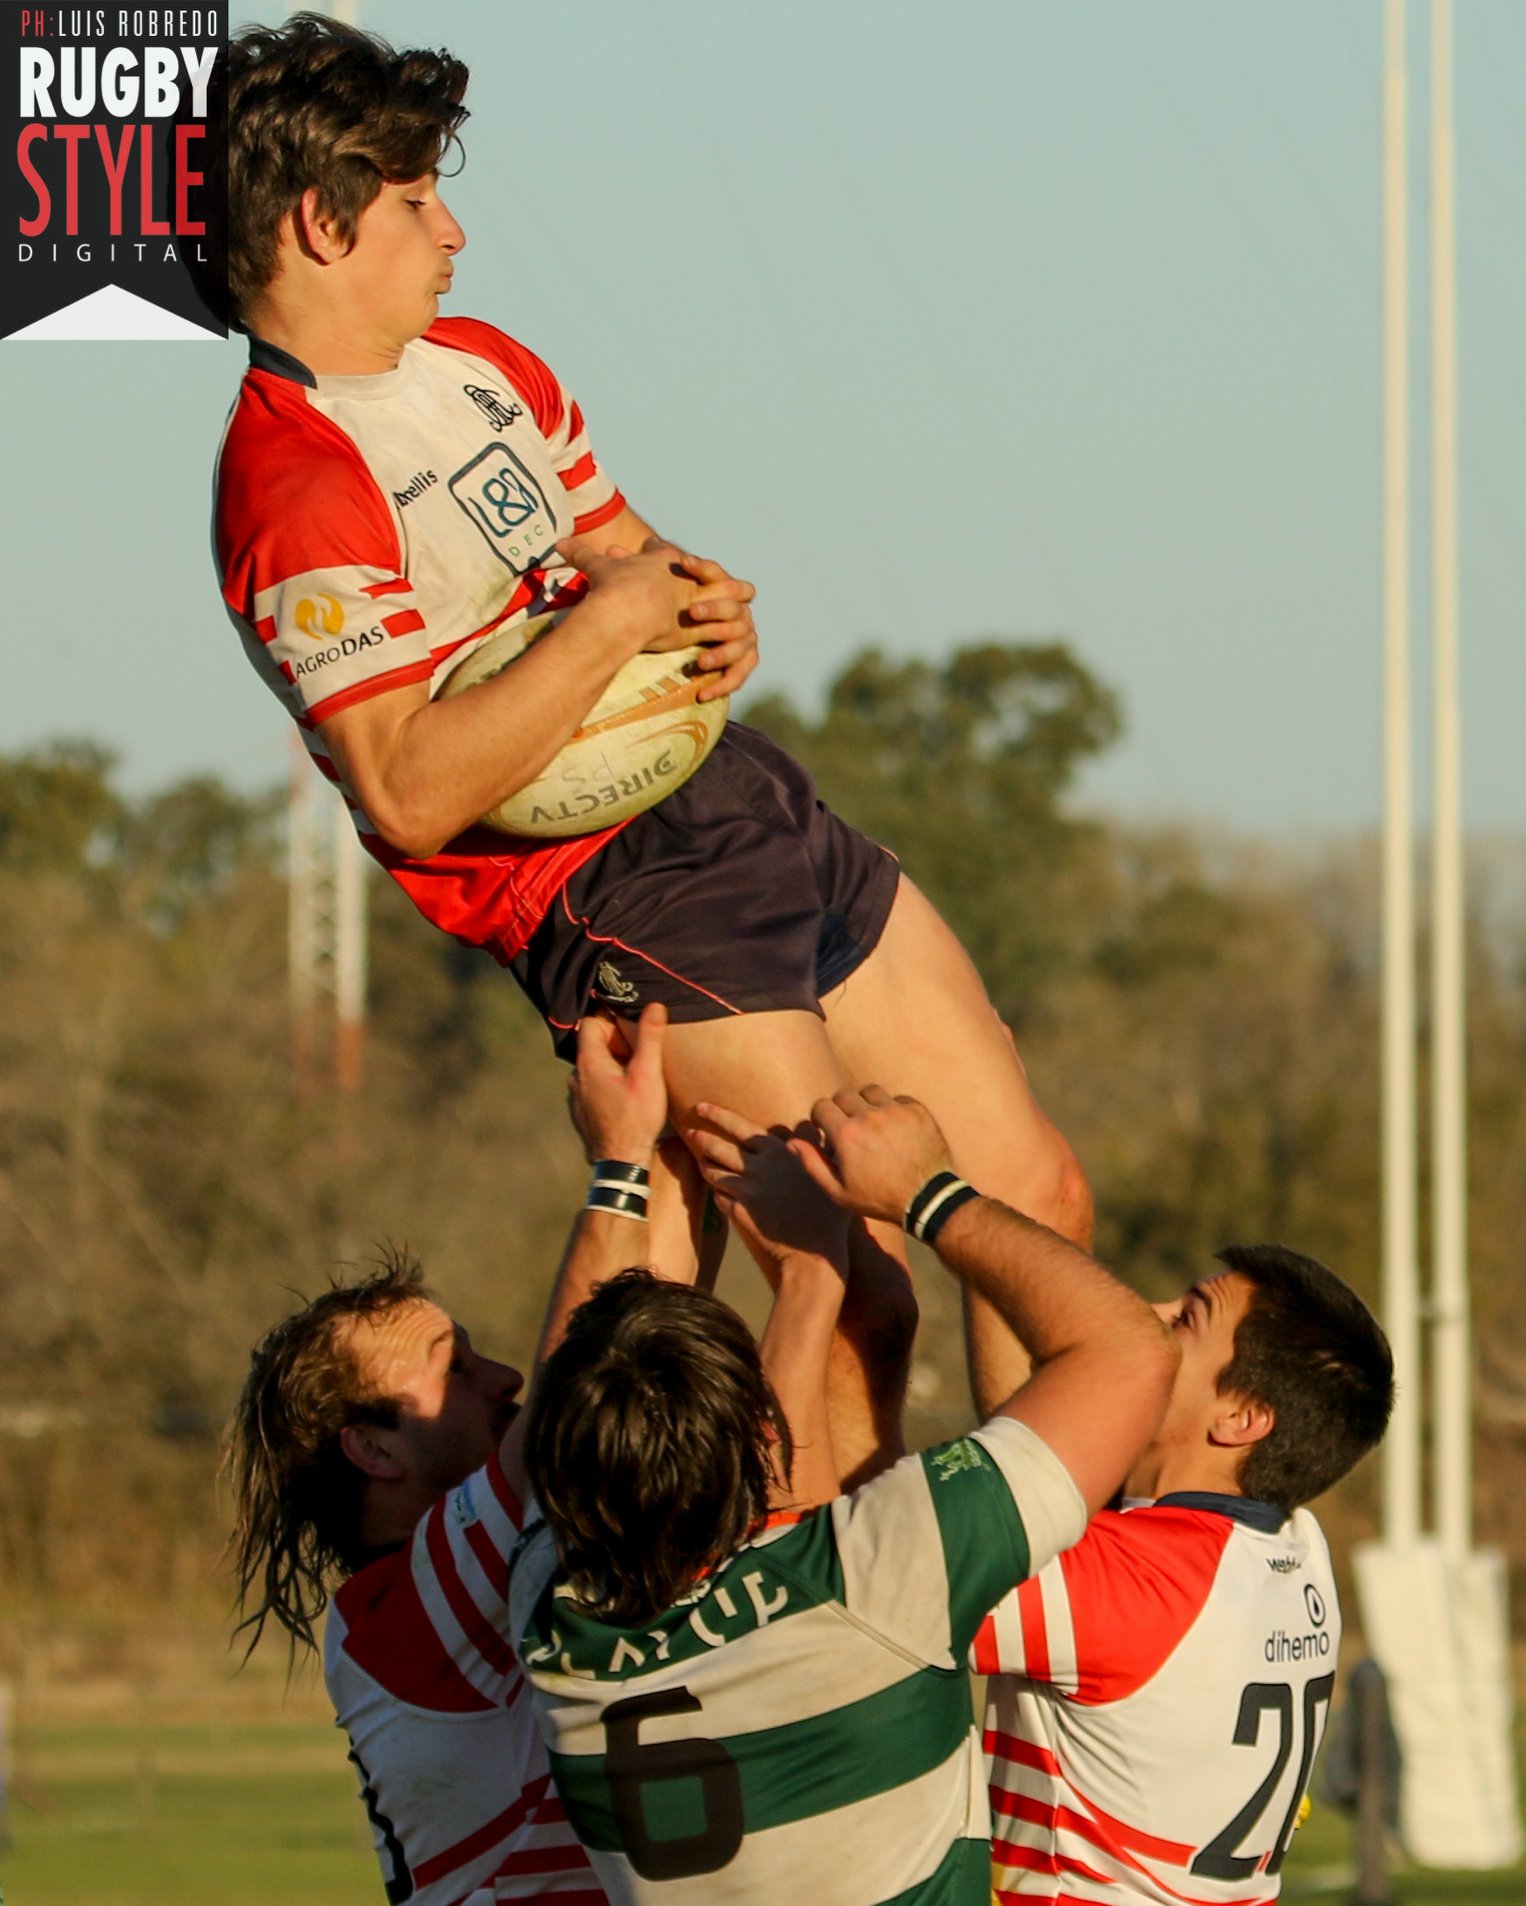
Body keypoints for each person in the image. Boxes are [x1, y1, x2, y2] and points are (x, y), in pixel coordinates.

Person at [209, 14, 1091, 1477]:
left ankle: (1045, 1671)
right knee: (851, 1287)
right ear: (320, 221)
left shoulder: (483, 362)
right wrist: (614, 625)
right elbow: (410, 791)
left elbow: (631, 564)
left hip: (737, 794)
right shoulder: (289, 486)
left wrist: (701, 607)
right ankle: (841, 1685)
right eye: (421, 200)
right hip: (608, 889)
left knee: (1031, 1191)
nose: (456, 232)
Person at [504, 1087, 1179, 1906]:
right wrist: (925, 1194)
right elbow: (1131, 1352)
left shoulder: (551, 1613)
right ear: (756, 1443)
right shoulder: (877, 1582)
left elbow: (595, 1433)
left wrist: (796, 1278)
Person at [228, 1006, 691, 1906]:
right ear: (371, 1447)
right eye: (457, 1368)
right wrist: (620, 1164)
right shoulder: (395, 1613)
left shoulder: (449, 1579)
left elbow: (637, 1327)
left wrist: (673, 1148)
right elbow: (567, 1399)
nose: (506, 1378)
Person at [966, 1244, 1394, 1904]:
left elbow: (890, 1583)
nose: (1147, 1313)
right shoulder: (1295, 1544)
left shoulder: (1136, 1581)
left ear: (1242, 1418)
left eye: (1187, 1319)